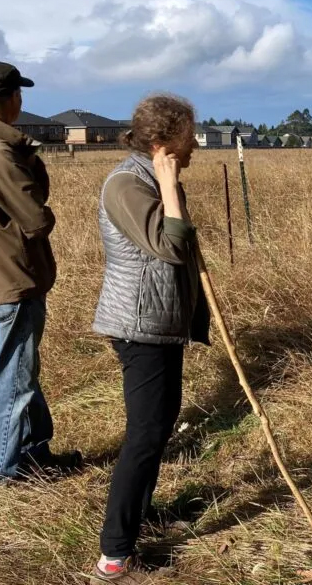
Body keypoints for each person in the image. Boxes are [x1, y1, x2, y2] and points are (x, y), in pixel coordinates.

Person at [91, 94, 210, 583]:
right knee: (144, 435)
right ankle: (114, 556)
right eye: (189, 136)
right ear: (163, 141)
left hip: (160, 324)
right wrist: (168, 186)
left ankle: (139, 518)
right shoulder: (127, 184)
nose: (195, 145)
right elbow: (171, 245)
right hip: (139, 326)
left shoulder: (151, 179)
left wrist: (169, 183)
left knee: (158, 427)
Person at [0, 61, 80, 483]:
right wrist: (34, 164)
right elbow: (37, 219)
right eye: (19, 93)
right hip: (11, 276)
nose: (22, 101)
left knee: (21, 369)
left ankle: (34, 452)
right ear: (9, 98)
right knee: (13, 378)